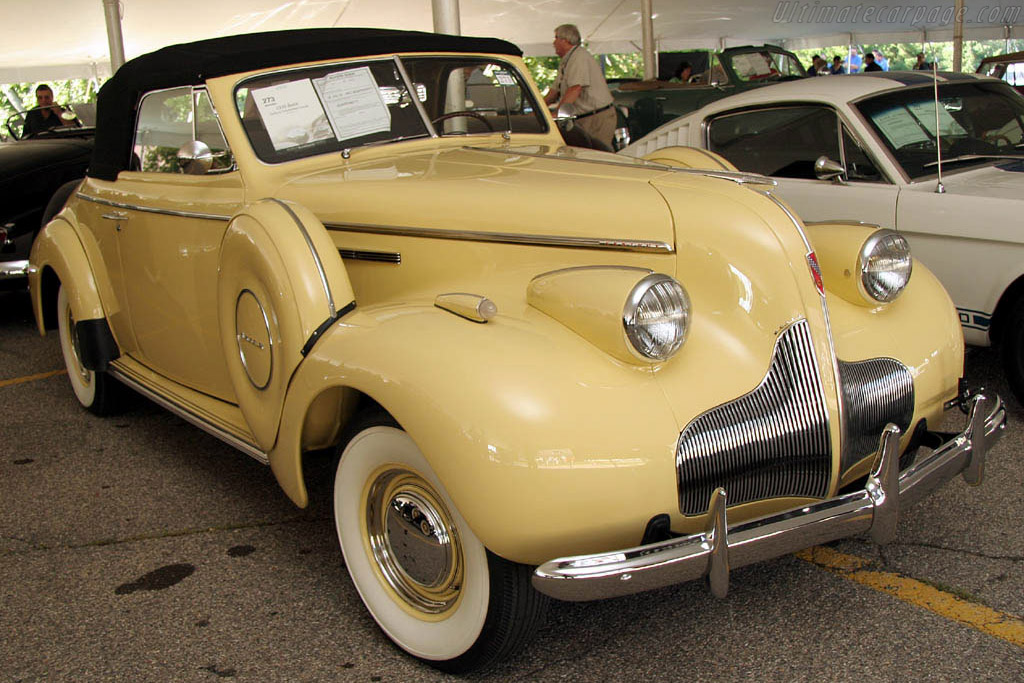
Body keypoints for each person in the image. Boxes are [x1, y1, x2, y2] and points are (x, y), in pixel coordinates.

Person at [543, 23, 616, 150]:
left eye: (555, 38)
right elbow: (554, 92)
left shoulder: (579, 57)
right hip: (585, 118)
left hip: (597, 118)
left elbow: (575, 88)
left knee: (599, 157)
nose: (553, 43)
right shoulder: (567, 60)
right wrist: (539, 110)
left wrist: (558, 114)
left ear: (564, 40)